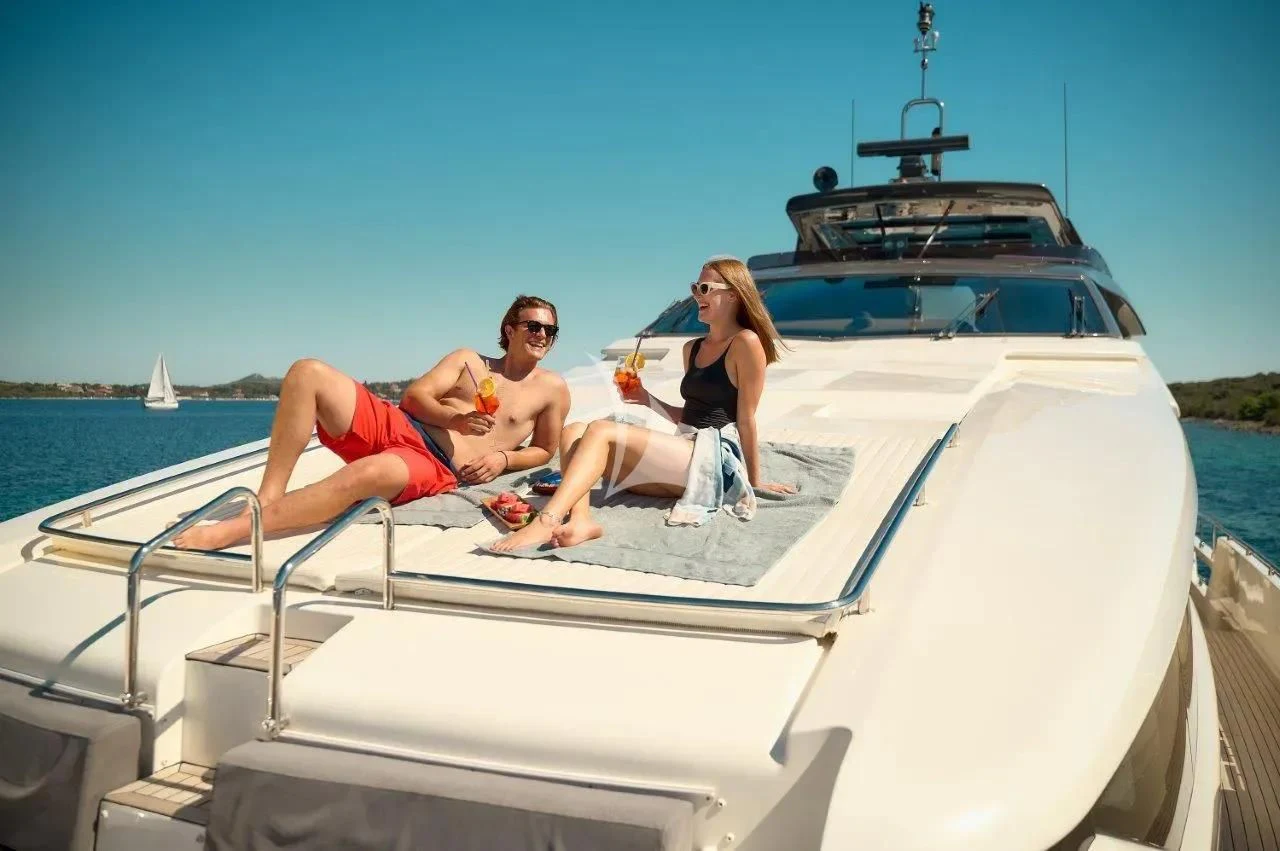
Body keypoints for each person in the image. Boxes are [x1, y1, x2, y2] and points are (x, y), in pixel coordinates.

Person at [174, 295, 570, 551]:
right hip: (399, 424)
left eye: (549, 330)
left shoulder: (552, 389)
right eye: (532, 326)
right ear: (509, 330)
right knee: (306, 371)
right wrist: (458, 419)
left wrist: (503, 460)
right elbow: (414, 398)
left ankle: (238, 531)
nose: (541, 335)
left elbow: (544, 450)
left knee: (370, 472)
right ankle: (268, 495)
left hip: (436, 466)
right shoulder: (469, 360)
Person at [492, 256, 795, 553]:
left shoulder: (745, 343)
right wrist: (645, 399)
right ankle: (581, 520)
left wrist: (755, 481)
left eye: (704, 289)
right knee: (573, 431)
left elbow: (746, 419)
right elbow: (689, 415)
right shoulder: (693, 348)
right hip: (685, 453)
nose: (696, 296)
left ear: (731, 295)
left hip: (717, 461)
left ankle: (548, 519)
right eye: (694, 287)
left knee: (602, 430)